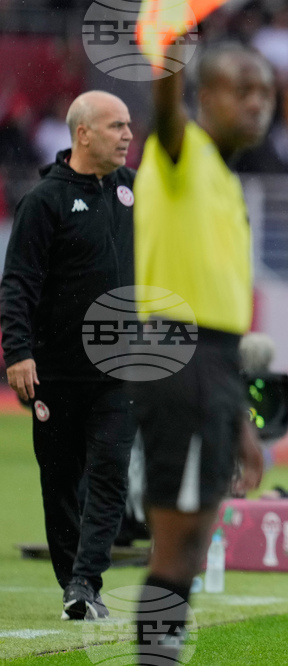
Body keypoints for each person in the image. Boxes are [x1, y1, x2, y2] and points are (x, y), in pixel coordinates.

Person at [131, 42, 272, 662]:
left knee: (196, 540)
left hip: (215, 364)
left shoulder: (221, 175)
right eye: (243, 90)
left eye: (265, 93)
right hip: (177, 356)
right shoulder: (176, 150)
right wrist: (168, 47)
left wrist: (240, 418)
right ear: (203, 98)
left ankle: (162, 652)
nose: (258, 104)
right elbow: (165, 100)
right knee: (175, 543)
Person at [1, 90, 136, 621]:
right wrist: (17, 352)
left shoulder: (133, 192)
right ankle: (73, 584)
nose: (128, 135)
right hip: (55, 370)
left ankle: (86, 581)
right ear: (83, 134)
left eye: (128, 125)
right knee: (60, 481)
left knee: (110, 473)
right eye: (116, 126)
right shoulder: (44, 202)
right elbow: (17, 286)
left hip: (119, 369)